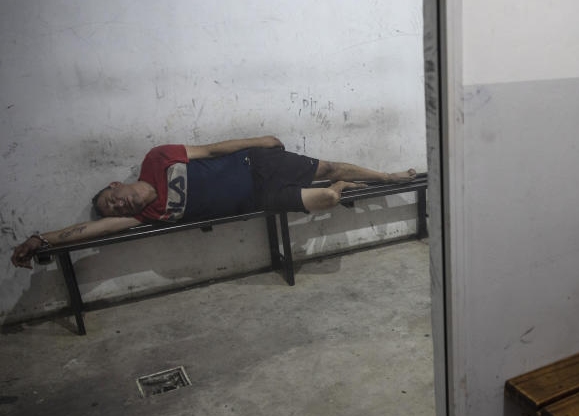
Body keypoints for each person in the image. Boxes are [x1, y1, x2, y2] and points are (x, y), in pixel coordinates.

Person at [11, 135, 417, 268]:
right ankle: (347, 187)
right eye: (113, 210)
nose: (116, 207)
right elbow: (92, 230)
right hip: (261, 196)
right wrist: (42, 240)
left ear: (117, 184)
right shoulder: (151, 215)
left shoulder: (157, 158)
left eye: (111, 199)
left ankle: (387, 176)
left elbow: (209, 150)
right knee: (329, 194)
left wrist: (260, 140)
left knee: (326, 167)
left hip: (252, 162)